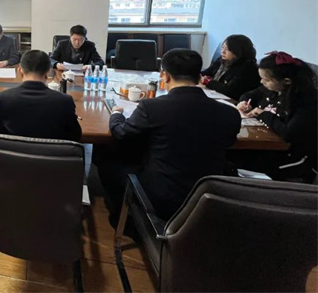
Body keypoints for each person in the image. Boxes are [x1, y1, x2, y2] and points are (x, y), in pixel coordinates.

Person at [97, 49, 241, 225]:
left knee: (106, 159)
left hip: (163, 198)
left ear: (164, 76)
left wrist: (116, 114)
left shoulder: (151, 107)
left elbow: (121, 133)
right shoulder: (230, 113)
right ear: (199, 77)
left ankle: (125, 219)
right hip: (209, 197)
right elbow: (229, 143)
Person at [234, 51, 317, 181]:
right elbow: (249, 95)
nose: (261, 82)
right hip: (267, 146)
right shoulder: (273, 89)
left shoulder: (306, 102)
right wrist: (244, 102)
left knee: (237, 163)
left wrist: (263, 114)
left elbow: (289, 133)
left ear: (287, 81)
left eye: (266, 80)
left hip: (291, 156)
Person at [0, 50, 81, 142]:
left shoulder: (4, 98)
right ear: (48, 72)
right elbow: (75, 136)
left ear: (20, 71)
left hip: (14, 150)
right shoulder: (64, 101)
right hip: (51, 150)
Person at [200, 34, 260, 100]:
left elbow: (229, 90)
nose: (223, 52)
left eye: (227, 49)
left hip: (233, 101)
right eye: (222, 48)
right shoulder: (222, 60)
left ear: (238, 51)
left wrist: (207, 81)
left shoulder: (248, 68)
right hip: (215, 94)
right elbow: (205, 73)